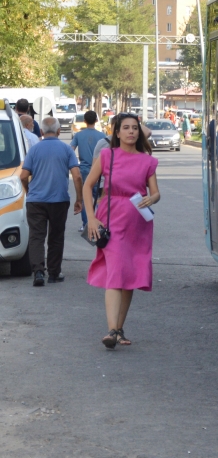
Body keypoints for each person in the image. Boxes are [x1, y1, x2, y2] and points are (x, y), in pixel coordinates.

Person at [83, 113, 160, 349]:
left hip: (138, 221)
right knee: (116, 272)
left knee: (129, 274)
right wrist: (92, 219)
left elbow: (155, 192)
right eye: (125, 128)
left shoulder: (147, 161)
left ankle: (119, 328)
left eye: (134, 128)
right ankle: (112, 330)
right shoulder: (107, 156)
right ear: (116, 133)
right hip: (111, 219)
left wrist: (153, 198)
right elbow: (87, 186)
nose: (131, 132)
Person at [18, 118, 83, 286]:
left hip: (36, 201)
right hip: (59, 200)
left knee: (36, 237)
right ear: (59, 131)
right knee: (56, 236)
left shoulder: (34, 150)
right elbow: (77, 176)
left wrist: (28, 190)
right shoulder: (66, 149)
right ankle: (54, 273)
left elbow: (23, 176)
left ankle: (38, 272)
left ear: (41, 132)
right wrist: (79, 199)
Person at [70, 111, 106, 232]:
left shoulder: (78, 135)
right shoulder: (102, 136)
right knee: (100, 197)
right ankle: (101, 222)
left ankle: (86, 224)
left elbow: (71, 150)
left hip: (84, 169)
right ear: (96, 120)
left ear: (84, 121)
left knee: (86, 197)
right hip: (99, 169)